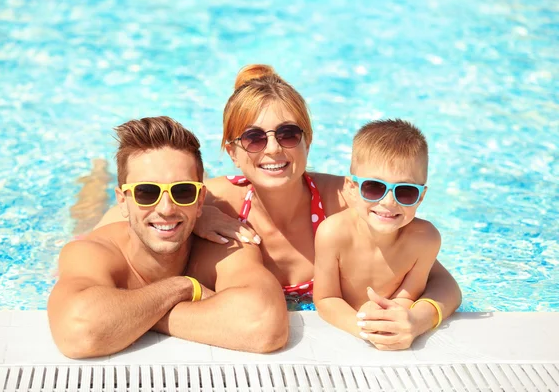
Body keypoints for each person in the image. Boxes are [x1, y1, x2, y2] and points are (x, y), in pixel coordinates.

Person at [97, 64, 462, 351]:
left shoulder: (348, 200)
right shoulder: (208, 199)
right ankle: (91, 182)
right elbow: (114, 226)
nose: (272, 150)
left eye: (288, 134)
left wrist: (419, 319)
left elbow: (441, 280)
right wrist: (195, 214)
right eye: (253, 138)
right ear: (233, 153)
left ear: (307, 142)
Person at [48, 116, 288, 359]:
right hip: (94, 229)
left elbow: (264, 325)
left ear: (200, 200)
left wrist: (132, 317)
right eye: (146, 192)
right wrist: (182, 287)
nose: (166, 208)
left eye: (183, 191)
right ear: (123, 201)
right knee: (85, 212)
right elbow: (77, 333)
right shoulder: (92, 251)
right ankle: (97, 174)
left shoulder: (224, 246)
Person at [313, 119, 443, 345]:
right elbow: (326, 298)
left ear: (421, 197)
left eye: (405, 191)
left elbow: (407, 296)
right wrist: (363, 326)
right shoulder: (332, 233)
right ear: (351, 188)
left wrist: (392, 321)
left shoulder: (425, 240)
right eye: (374, 187)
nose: (389, 202)